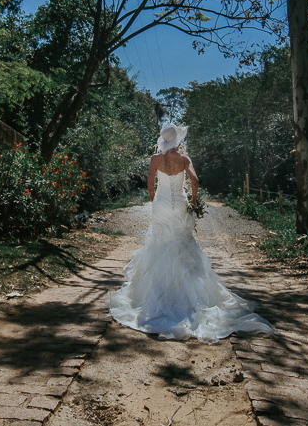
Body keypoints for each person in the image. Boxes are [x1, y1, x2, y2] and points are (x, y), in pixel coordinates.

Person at [107, 124, 276, 342]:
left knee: (160, 243)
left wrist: (154, 201)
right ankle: (189, 297)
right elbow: (195, 181)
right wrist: (194, 201)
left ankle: (156, 293)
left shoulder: (154, 159)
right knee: (181, 242)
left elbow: (151, 183)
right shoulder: (184, 159)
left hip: (161, 204)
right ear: (176, 141)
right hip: (179, 206)